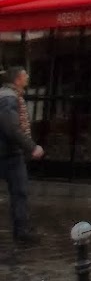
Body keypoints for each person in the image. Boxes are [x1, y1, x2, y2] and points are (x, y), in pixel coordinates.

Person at [0, 65, 43, 252]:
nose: (28, 77)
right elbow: (11, 128)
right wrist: (31, 147)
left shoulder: (10, 96)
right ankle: (22, 231)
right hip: (7, 153)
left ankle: (22, 230)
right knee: (19, 192)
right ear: (17, 79)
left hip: (10, 152)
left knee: (20, 192)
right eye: (25, 75)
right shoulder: (8, 98)